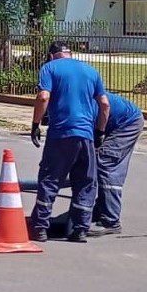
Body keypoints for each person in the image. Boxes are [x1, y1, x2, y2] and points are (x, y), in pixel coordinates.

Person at [30, 41, 110, 243]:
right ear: (70, 54)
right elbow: (104, 104)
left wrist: (35, 124)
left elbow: (43, 97)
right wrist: (100, 131)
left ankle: (40, 227)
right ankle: (80, 229)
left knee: (50, 179)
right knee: (85, 182)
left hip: (61, 134)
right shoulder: (91, 71)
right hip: (86, 136)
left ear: (51, 56)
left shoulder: (49, 68)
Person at [89, 91, 143, 237]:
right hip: (115, 121)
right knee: (97, 162)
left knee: (107, 164)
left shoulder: (83, 109)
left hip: (127, 123)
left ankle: (111, 221)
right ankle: (100, 210)